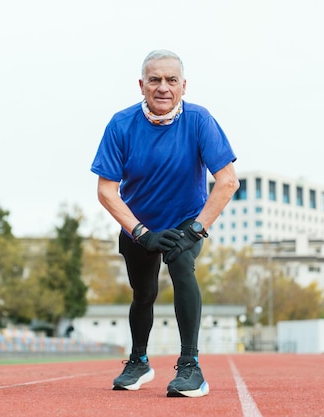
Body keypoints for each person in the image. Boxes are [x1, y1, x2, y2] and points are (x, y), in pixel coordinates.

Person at [90, 49, 239, 398]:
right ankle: (139, 361)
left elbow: (228, 180)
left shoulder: (200, 120)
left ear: (183, 86)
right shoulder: (121, 125)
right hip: (139, 223)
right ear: (141, 85)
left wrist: (196, 229)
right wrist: (141, 233)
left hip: (187, 220)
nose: (163, 87)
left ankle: (190, 367)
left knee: (181, 265)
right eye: (154, 80)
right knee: (143, 293)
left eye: (171, 80)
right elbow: (106, 191)